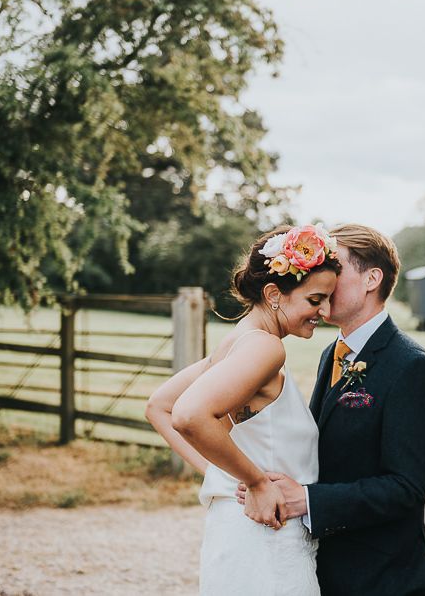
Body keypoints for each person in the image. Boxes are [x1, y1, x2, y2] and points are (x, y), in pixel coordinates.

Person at [238, 223, 425, 595]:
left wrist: (307, 500)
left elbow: (406, 487)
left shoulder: (413, 367)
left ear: (372, 279)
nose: (325, 279)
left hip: (380, 578)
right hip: (324, 568)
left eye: (337, 269)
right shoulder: (329, 354)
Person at [145, 224, 341, 595]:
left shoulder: (235, 344)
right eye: (315, 300)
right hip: (265, 540)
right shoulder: (265, 348)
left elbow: (160, 406)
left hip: (239, 534)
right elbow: (186, 415)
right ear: (274, 294)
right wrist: (252, 482)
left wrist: (224, 475)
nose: (326, 311)